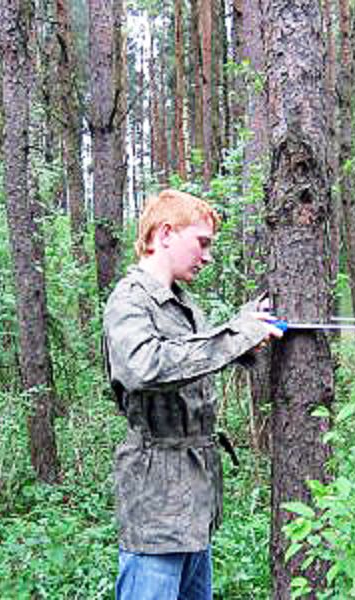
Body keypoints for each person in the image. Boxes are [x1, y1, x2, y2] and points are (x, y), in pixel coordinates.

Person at [102, 189, 283, 600]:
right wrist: (230, 338)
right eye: (201, 243)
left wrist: (241, 342)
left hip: (194, 501)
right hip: (156, 503)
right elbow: (144, 367)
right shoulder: (130, 300)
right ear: (165, 234)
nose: (207, 256)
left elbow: (187, 360)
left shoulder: (183, 304)